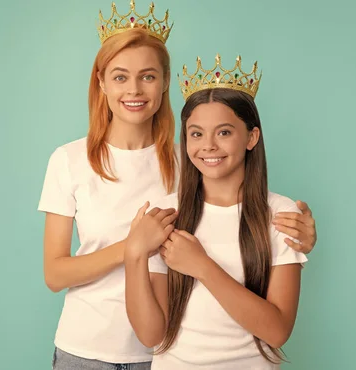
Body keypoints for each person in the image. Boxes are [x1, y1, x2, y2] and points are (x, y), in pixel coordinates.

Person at [38, 1, 317, 368]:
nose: (134, 89)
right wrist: (134, 246)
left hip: (164, 351)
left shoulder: (192, 163)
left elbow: (240, 222)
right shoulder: (70, 160)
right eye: (120, 76)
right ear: (101, 81)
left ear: (165, 81)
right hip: (92, 346)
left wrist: (301, 240)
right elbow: (55, 273)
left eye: (148, 76)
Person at [124, 54, 307, 369]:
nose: (207, 145)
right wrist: (134, 254)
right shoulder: (167, 212)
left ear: (251, 137)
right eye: (196, 133)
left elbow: (277, 332)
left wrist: (202, 267)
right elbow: (151, 334)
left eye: (223, 132)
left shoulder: (280, 214)